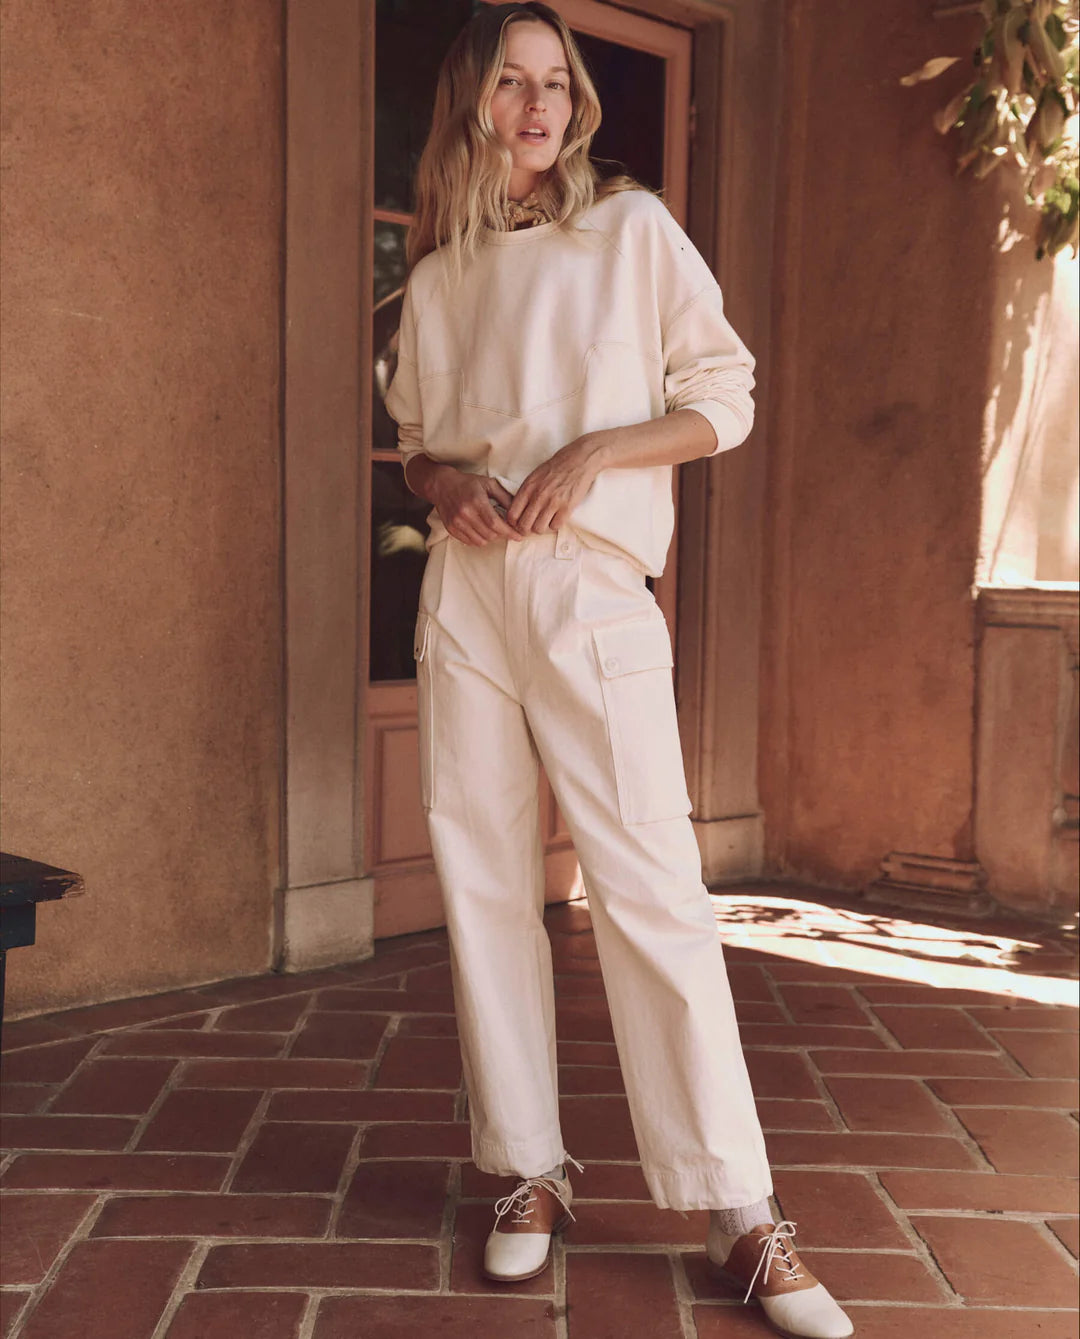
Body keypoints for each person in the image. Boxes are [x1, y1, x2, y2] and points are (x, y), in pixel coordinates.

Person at [384, 6, 853, 1337]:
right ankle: (528, 1170)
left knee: (649, 884)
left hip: (591, 588)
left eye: (556, 83)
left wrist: (602, 453)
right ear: (470, 103)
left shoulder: (633, 231)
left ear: (576, 102)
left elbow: (726, 396)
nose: (538, 106)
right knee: (481, 879)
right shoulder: (439, 272)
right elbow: (416, 443)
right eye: (511, 84)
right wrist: (446, 482)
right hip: (467, 590)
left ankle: (741, 1215)